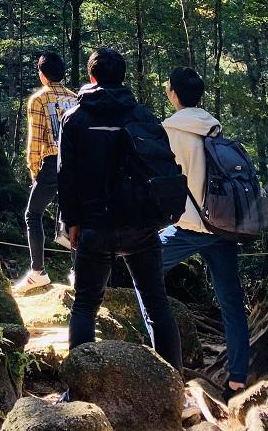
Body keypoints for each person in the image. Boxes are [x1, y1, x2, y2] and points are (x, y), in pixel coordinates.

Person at [58, 47, 183, 374]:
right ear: (122, 77)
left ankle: (79, 389)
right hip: (140, 224)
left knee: (85, 305)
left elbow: (66, 176)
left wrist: (70, 221)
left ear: (91, 76)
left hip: (94, 225)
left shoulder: (74, 118)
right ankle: (173, 386)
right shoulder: (142, 115)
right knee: (157, 304)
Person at [160, 66, 250, 397]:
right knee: (231, 302)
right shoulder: (214, 129)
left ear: (174, 94)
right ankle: (239, 376)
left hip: (187, 226)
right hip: (222, 226)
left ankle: (164, 363)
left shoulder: (169, 131)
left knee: (141, 273)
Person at [14, 51, 76, 293]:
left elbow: (35, 139)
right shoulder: (75, 98)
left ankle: (38, 271)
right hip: (76, 164)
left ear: (42, 75)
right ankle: (78, 272)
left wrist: (33, 167)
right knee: (74, 215)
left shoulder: (39, 99)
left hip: (51, 162)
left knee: (33, 214)